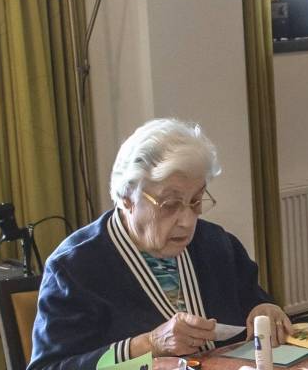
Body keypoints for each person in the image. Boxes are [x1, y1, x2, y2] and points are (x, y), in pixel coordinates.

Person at [31, 119, 290, 369]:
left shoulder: (216, 244)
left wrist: (265, 309)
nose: (188, 221)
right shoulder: (75, 268)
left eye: (196, 201)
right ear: (127, 198)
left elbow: (251, 299)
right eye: (170, 205)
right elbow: (51, 366)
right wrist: (149, 344)